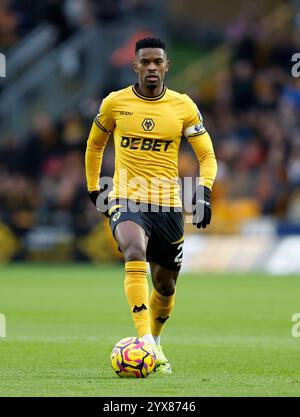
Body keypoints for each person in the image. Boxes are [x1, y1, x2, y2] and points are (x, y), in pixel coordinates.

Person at [85, 37, 217, 374]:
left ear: (167, 65)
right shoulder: (115, 103)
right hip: (127, 197)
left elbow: (206, 155)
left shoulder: (183, 106)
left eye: (158, 61)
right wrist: (92, 187)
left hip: (168, 205)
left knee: (166, 284)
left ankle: (154, 341)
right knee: (133, 250)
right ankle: (144, 342)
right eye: (145, 62)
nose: (152, 67)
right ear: (136, 66)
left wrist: (203, 192)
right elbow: (94, 146)